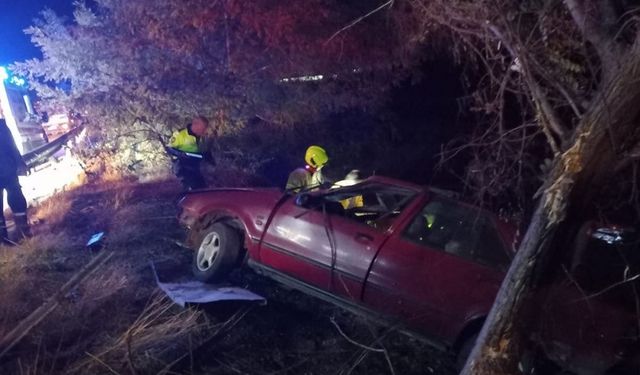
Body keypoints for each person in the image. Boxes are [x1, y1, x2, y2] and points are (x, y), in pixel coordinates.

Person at [0, 118, 30, 244]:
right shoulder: (1, 126)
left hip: (7, 169)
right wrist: (20, 163)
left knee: (16, 196)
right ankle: (16, 235)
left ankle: (7, 238)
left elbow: (11, 146)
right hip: (8, 169)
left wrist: (20, 164)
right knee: (16, 196)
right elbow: (12, 146)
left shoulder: (1, 126)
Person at [167, 116, 211, 190]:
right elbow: (169, 149)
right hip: (182, 167)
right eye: (202, 129)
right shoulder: (180, 134)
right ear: (195, 125)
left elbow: (203, 151)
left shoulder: (202, 137)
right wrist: (181, 154)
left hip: (195, 167)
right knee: (190, 189)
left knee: (202, 189)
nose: (203, 131)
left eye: (204, 129)